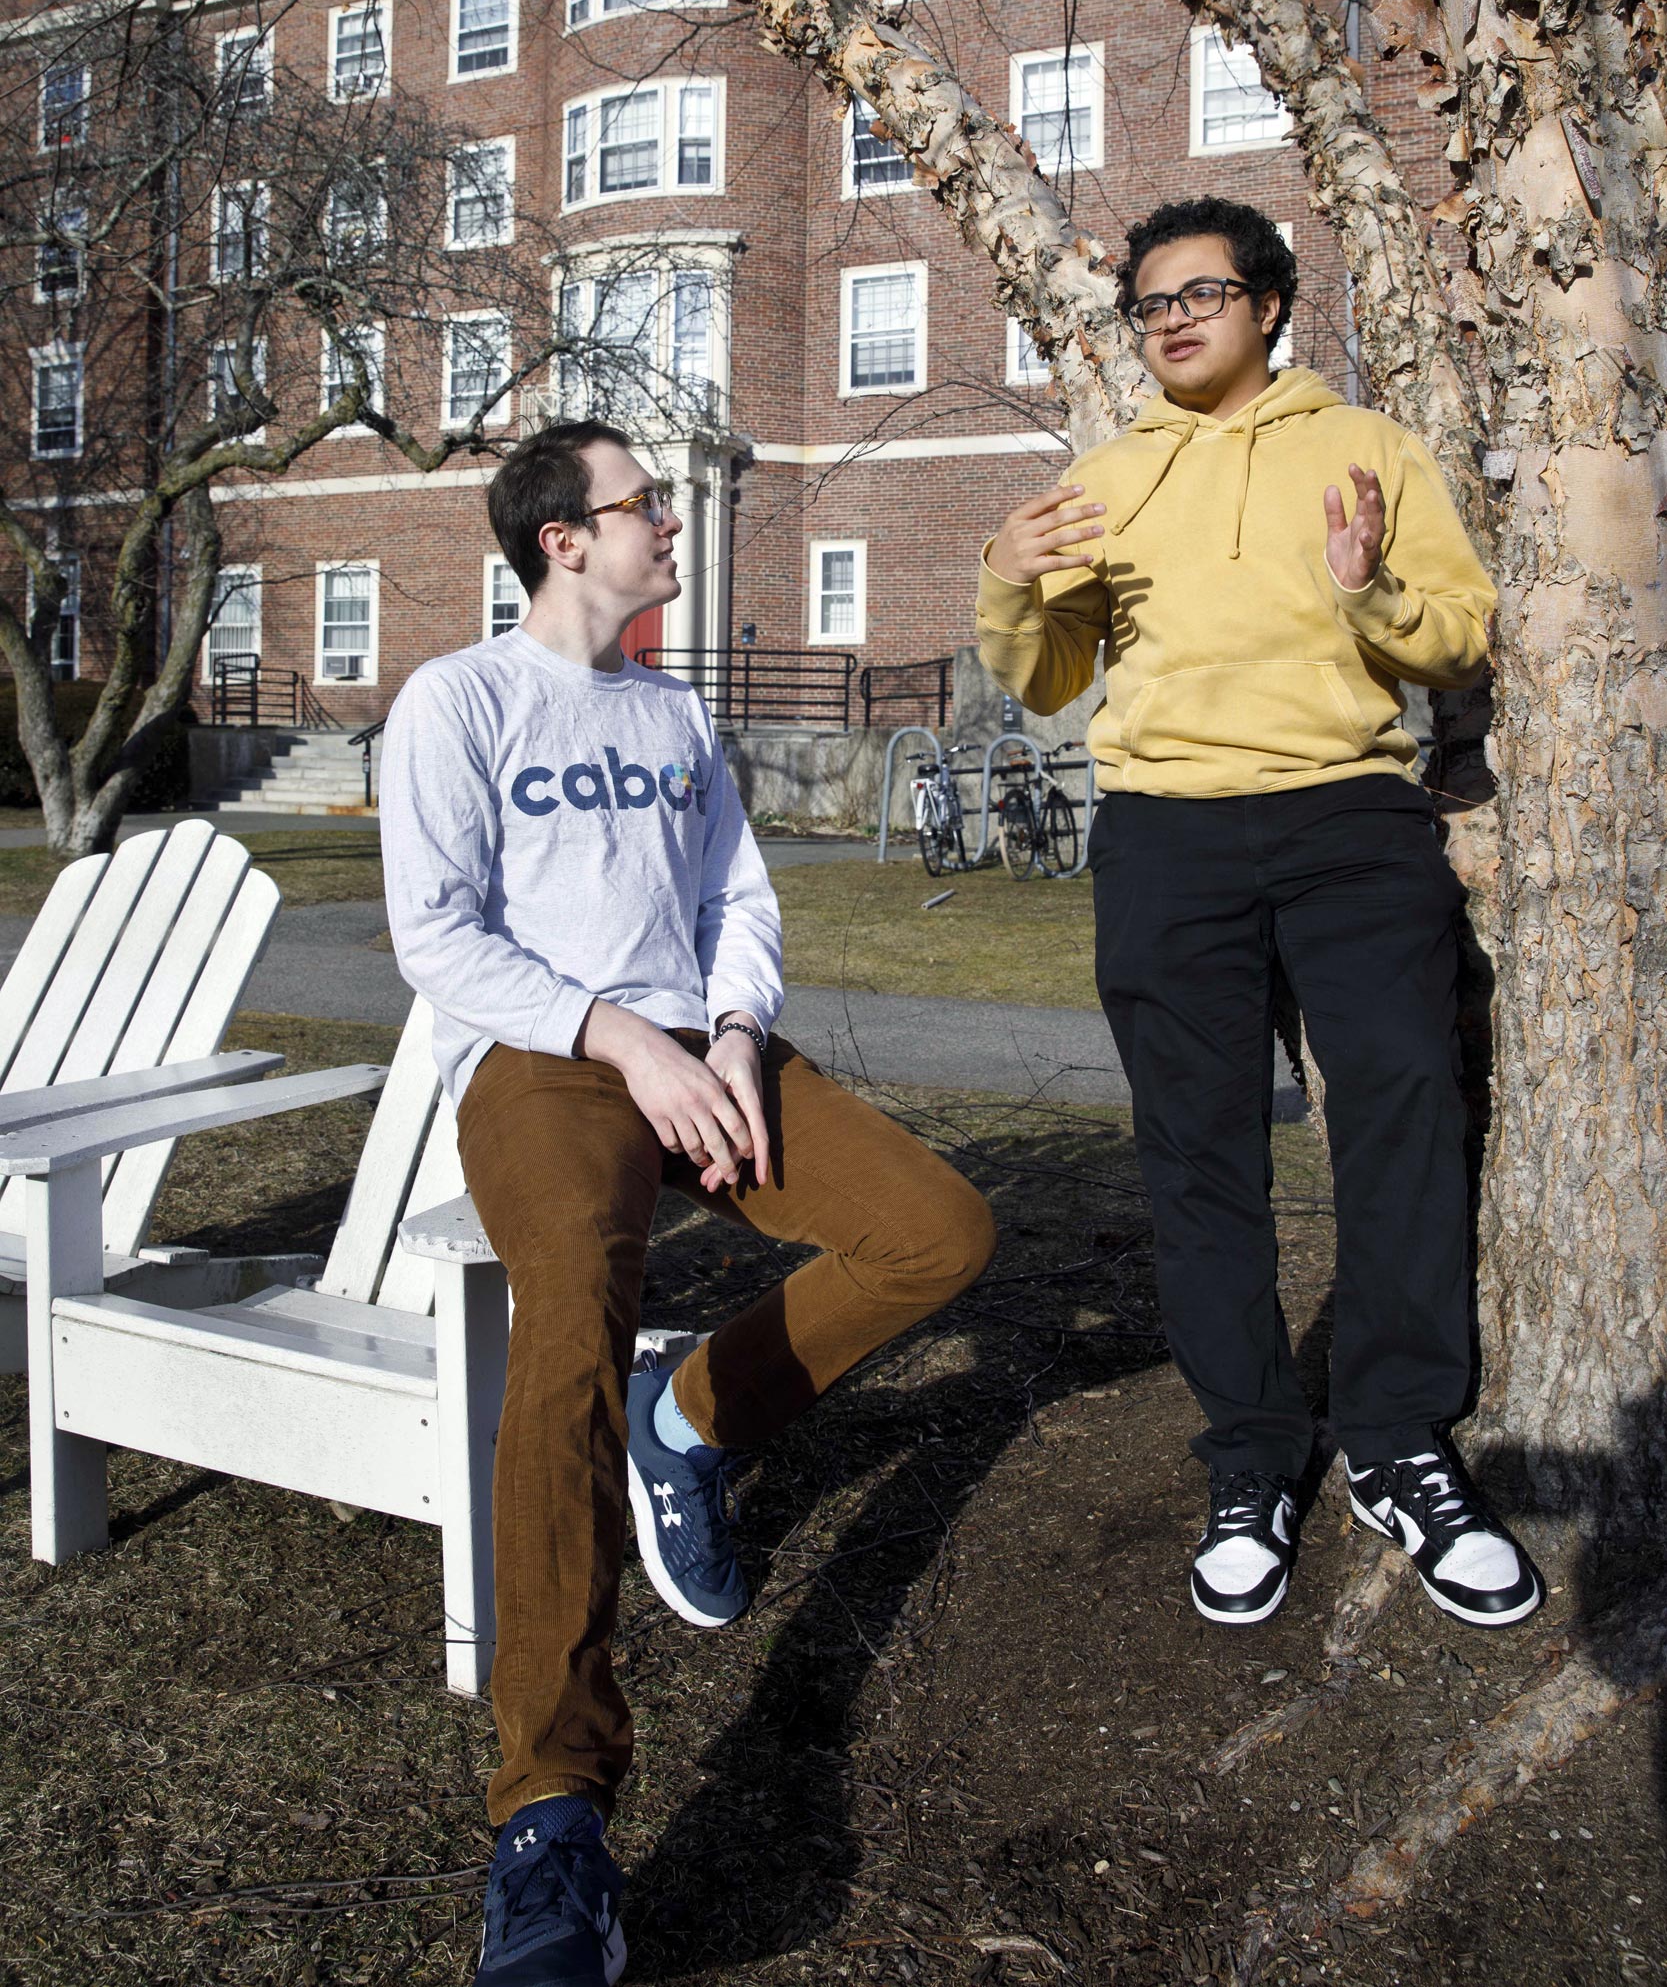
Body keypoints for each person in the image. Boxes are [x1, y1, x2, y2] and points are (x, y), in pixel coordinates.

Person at [380, 419, 994, 1987]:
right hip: (549, 1066)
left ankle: (693, 1422)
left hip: (698, 1053)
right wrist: (623, 1038)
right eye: (640, 506)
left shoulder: (668, 707)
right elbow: (438, 939)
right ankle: (553, 1819)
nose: (667, 525)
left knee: (939, 1232)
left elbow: (736, 897)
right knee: (567, 1332)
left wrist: (725, 1035)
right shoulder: (459, 701)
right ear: (561, 542)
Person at [976, 195, 1541, 1635]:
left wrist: (1370, 598)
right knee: (1198, 1146)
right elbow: (1046, 681)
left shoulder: (1368, 449)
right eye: (1150, 303)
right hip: (1168, 834)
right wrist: (1004, 580)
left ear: (1271, 304)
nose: (1173, 318)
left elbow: (1464, 627)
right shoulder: (1106, 476)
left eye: (1203, 293)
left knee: (1407, 1097)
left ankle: (1401, 1439)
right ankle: (1250, 1460)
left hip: (1350, 819)